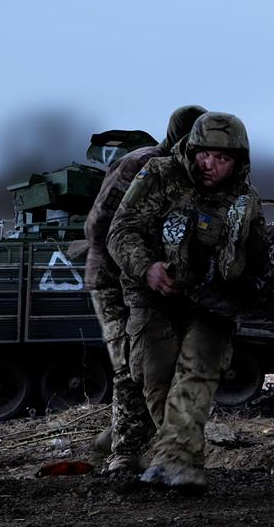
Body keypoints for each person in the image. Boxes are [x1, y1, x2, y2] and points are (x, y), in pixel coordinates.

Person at [108, 112, 266, 492]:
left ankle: (178, 464)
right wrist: (148, 268)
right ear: (192, 150)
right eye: (205, 155)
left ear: (238, 162)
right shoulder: (158, 175)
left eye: (223, 158)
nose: (210, 165)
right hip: (152, 293)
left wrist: (247, 285)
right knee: (156, 377)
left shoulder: (245, 200)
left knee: (200, 370)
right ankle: (178, 460)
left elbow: (257, 258)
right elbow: (121, 231)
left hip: (213, 300)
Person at [85, 105, 206, 474]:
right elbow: (100, 227)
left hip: (145, 282)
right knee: (128, 365)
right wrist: (139, 260)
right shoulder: (142, 163)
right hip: (111, 279)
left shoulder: (181, 170)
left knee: (151, 363)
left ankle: (117, 435)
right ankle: (124, 455)